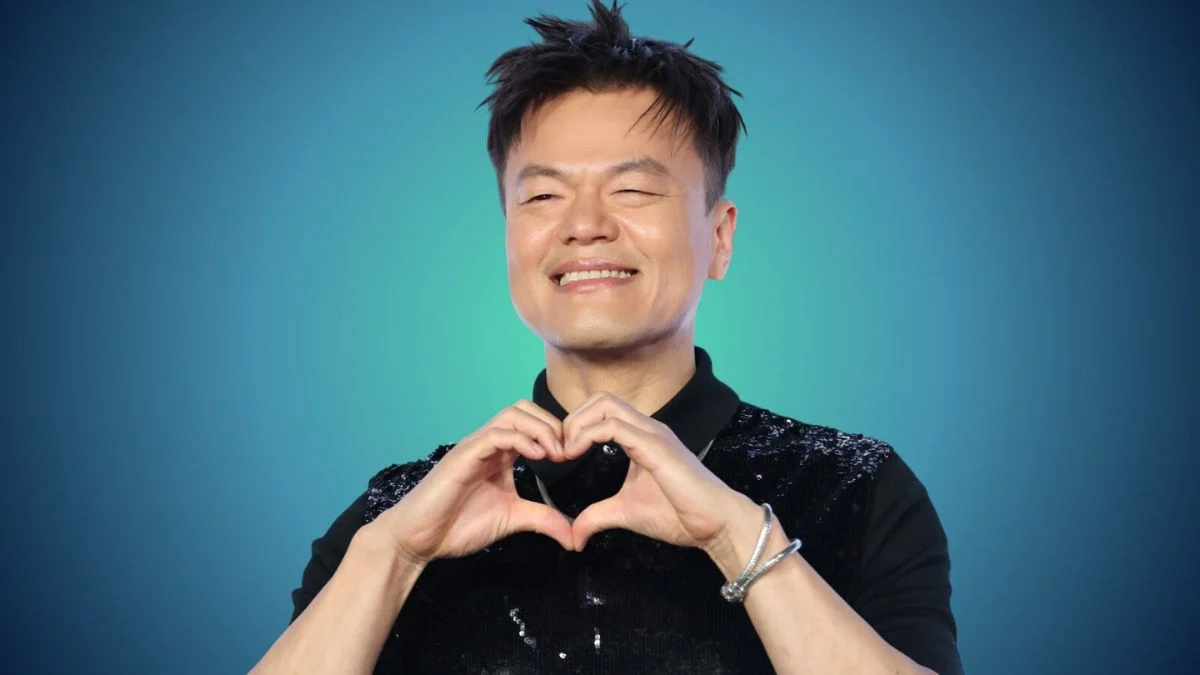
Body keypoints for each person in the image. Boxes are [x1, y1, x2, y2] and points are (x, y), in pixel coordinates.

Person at [251, 2, 963, 673]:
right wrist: (396, 555)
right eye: (543, 195)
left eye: (633, 189)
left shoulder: (854, 486)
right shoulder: (399, 512)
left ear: (720, 238)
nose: (583, 224)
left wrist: (735, 535)